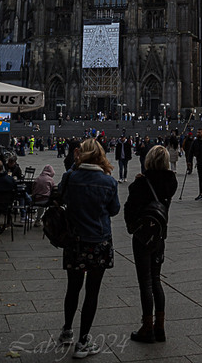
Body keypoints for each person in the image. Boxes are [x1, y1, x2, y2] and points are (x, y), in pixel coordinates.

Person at [58, 138, 120, 358]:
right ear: (100, 155)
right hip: (98, 241)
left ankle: (67, 330)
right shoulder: (108, 181)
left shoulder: (69, 178)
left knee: (73, 287)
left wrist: (74, 167)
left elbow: (60, 199)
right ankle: (83, 341)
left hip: (74, 241)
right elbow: (114, 210)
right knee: (92, 291)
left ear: (80, 154)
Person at [124, 145, 177, 343]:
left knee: (145, 282)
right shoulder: (171, 181)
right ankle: (160, 327)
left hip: (142, 238)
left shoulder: (140, 184)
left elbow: (129, 211)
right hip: (160, 237)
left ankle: (147, 328)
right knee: (156, 280)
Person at [187, 128, 202, 200]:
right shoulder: (195, 142)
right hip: (199, 162)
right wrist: (189, 161)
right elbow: (191, 152)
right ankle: (201, 193)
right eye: (197, 132)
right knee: (200, 178)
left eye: (199, 132)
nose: (198, 134)